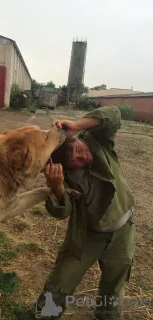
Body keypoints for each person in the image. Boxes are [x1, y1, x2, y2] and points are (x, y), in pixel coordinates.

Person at [34, 106, 135, 320]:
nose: (82, 157)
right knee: (59, 284)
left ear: (78, 139)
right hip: (87, 236)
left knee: (113, 287)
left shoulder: (97, 142)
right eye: (75, 161)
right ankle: (43, 316)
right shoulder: (64, 175)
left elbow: (114, 114)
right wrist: (57, 187)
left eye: (79, 149)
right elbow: (62, 212)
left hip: (122, 232)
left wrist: (77, 125)